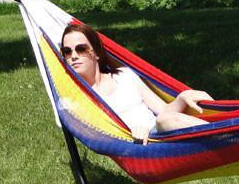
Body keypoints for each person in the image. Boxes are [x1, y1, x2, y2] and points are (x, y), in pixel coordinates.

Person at [61, 23, 213, 144]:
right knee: (164, 120)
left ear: (97, 53)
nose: (73, 56)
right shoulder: (75, 100)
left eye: (81, 49)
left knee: (164, 119)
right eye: (67, 51)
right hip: (136, 146)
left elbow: (163, 110)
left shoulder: (125, 76)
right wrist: (131, 132)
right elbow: (99, 137)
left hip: (160, 132)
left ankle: (222, 135)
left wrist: (183, 97)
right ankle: (222, 138)